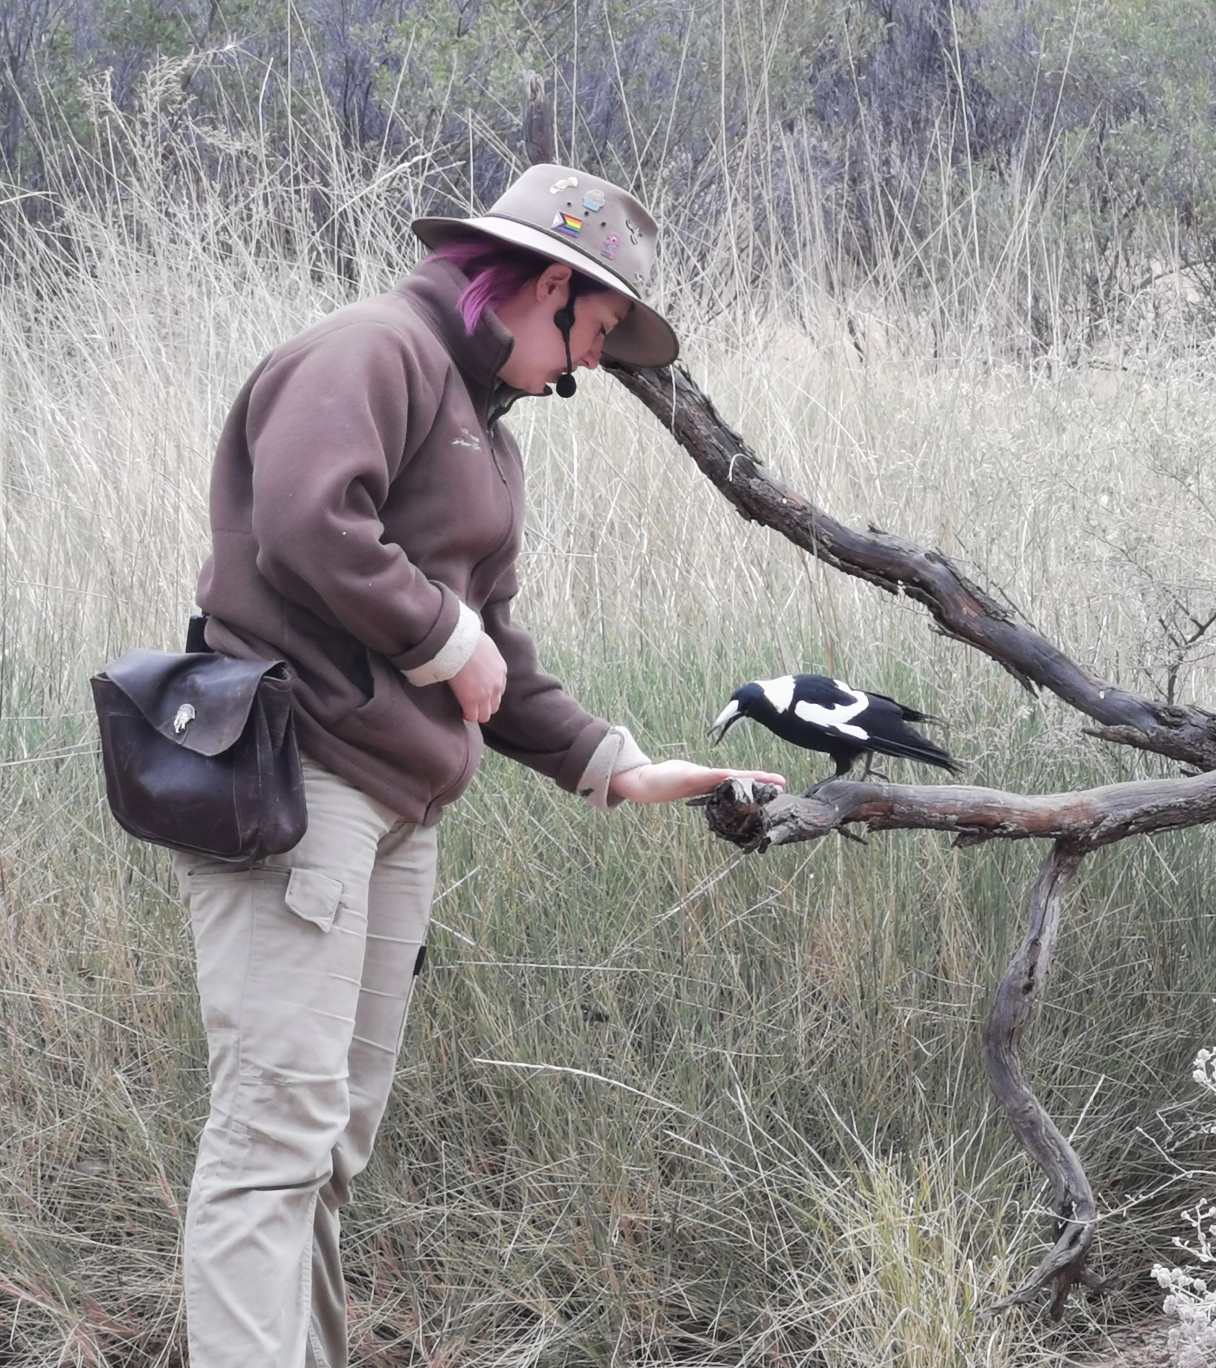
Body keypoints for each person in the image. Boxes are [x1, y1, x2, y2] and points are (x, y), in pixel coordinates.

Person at [174, 163, 783, 1367]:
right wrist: (442, 638)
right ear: (544, 284)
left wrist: (614, 763)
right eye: (595, 330)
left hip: (396, 810)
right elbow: (307, 519)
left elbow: (496, 656)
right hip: (303, 788)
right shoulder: (373, 351)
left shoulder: (488, 440)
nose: (591, 366)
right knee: (271, 1143)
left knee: (329, 1147)